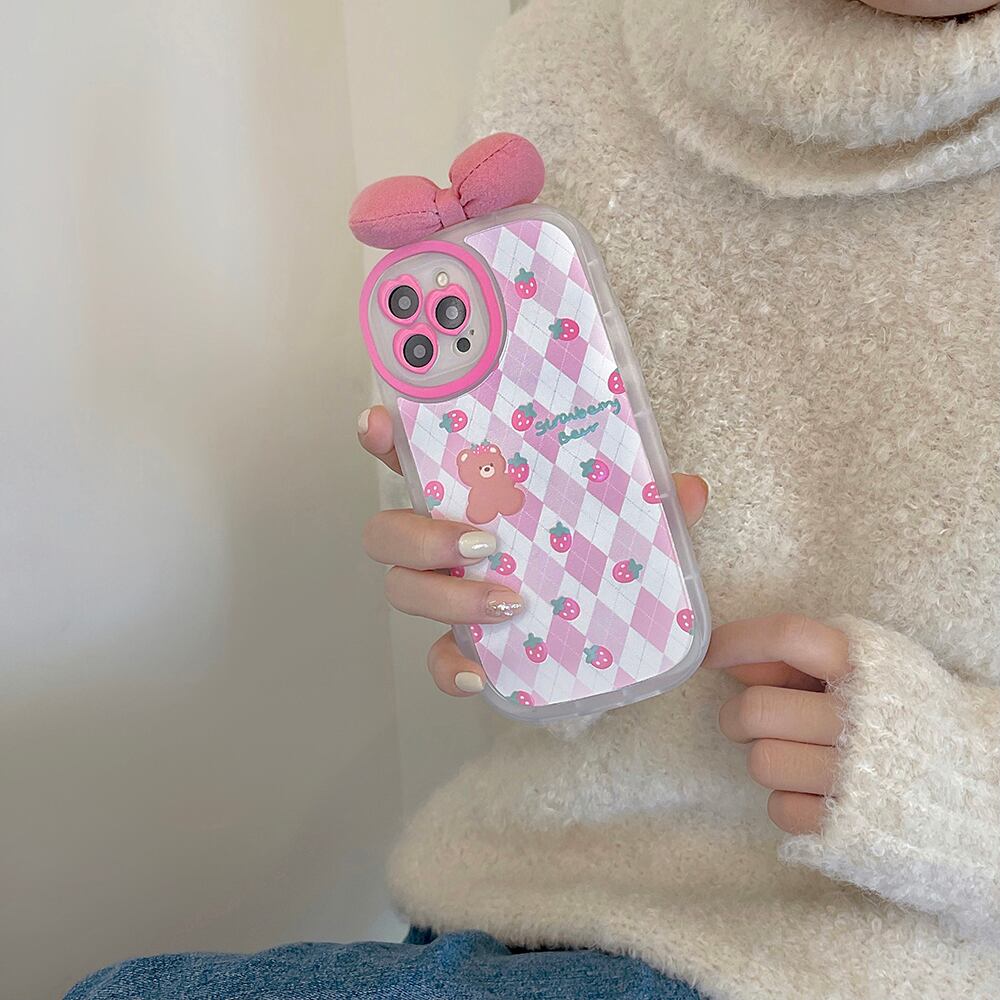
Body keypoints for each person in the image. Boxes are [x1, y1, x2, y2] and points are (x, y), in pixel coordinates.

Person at [70, 1, 1000, 997]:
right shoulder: (559, 62)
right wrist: (490, 589)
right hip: (515, 905)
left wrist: (955, 787)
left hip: (880, 954)